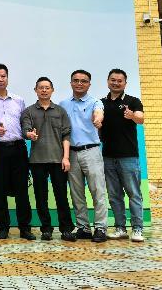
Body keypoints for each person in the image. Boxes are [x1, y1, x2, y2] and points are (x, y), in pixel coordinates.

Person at [0, 63, 34, 240]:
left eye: (3, 76)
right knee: (0, 189)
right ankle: (3, 228)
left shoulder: (19, 100)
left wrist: (29, 133)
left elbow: (25, 124)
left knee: (21, 189)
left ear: (7, 78)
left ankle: (25, 228)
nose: (0, 79)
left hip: (18, 148)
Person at [21, 77, 74, 242]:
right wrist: (30, 134)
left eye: (47, 87)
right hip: (37, 161)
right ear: (35, 90)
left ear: (52, 90)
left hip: (58, 160)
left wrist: (66, 157)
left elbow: (66, 135)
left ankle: (66, 229)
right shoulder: (29, 111)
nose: (44, 90)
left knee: (61, 196)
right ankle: (46, 229)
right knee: (41, 197)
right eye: (41, 88)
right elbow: (25, 130)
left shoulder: (60, 111)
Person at [59, 69, 109, 243]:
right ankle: (83, 228)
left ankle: (100, 228)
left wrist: (98, 120)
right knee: (76, 193)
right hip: (71, 153)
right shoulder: (63, 104)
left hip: (91, 152)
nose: (79, 83)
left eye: (84, 81)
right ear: (71, 83)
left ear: (89, 84)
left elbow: (99, 113)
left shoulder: (95, 102)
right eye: (76, 80)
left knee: (98, 191)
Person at [101, 68, 145, 242]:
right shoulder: (101, 103)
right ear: (108, 81)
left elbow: (141, 119)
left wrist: (132, 115)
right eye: (113, 80)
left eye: (120, 81)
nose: (116, 83)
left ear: (125, 83)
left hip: (129, 157)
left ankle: (137, 229)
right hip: (108, 157)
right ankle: (120, 228)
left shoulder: (133, 101)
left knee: (134, 194)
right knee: (114, 195)